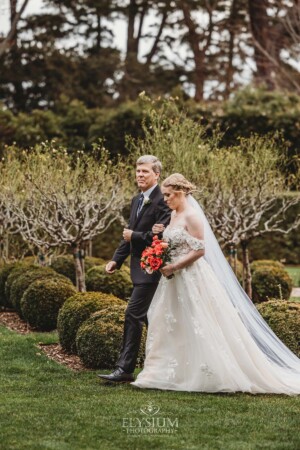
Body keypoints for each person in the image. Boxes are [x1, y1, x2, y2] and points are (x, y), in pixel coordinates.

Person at [132, 173, 300, 394]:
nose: (165, 199)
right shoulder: (173, 215)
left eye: (168, 195)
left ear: (181, 193)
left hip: (191, 277)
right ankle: (165, 371)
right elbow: (173, 242)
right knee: (171, 323)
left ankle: (207, 372)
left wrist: (174, 266)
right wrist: (159, 244)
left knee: (198, 321)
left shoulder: (192, 216)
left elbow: (200, 250)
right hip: (171, 279)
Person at [98, 155, 171, 382]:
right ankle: (162, 364)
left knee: (133, 314)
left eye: (145, 172)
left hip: (153, 267)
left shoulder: (163, 200)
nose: (140, 175)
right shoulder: (137, 200)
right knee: (152, 318)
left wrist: (135, 236)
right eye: (138, 171)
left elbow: (163, 238)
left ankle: (125, 369)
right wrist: (116, 260)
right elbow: (128, 234)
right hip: (138, 267)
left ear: (156, 174)